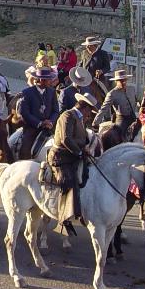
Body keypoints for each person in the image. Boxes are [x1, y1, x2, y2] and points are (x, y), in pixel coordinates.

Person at [48, 92, 97, 236]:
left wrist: (86, 147)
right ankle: (64, 219)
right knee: (69, 180)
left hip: (73, 155)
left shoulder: (80, 119)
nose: (90, 114)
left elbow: (81, 138)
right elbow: (65, 139)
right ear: (85, 107)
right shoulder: (67, 116)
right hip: (61, 157)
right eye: (90, 110)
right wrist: (79, 152)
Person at [18, 67, 59, 160]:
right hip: (32, 127)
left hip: (49, 127)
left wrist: (50, 122)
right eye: (48, 79)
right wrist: (40, 123)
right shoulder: (27, 92)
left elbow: (56, 110)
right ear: (41, 80)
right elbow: (24, 112)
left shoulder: (52, 92)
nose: (50, 81)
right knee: (25, 148)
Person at [92, 69, 138, 135]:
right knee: (119, 134)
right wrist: (95, 122)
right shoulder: (112, 94)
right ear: (116, 81)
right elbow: (104, 108)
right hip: (121, 119)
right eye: (121, 81)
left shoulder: (132, 89)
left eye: (125, 80)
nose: (124, 82)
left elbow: (136, 102)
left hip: (133, 116)